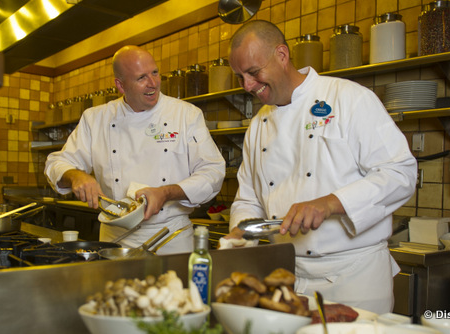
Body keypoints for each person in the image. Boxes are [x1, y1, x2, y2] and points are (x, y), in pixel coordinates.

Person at [224, 20, 417, 314]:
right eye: (240, 77)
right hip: (288, 277)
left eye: (253, 72)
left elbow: (400, 173)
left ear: (282, 55)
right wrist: (241, 231)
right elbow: (249, 197)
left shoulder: (348, 98)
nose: (248, 86)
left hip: (354, 277)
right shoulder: (258, 124)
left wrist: (331, 203)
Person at [45, 45, 225, 254]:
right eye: (141, 78)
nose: (153, 84)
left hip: (171, 239)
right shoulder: (96, 119)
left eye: (155, 73)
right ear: (120, 86)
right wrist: (75, 176)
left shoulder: (186, 114)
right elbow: (56, 163)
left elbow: (213, 172)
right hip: (116, 241)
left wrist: (166, 193)